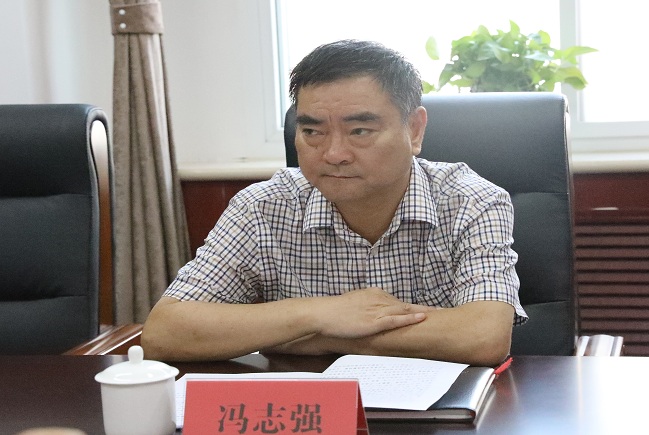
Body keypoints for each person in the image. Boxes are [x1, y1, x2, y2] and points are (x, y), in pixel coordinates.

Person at [142, 39, 528, 366]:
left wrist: (309, 337)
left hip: (440, 413)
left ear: (414, 130)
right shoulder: (261, 208)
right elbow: (165, 332)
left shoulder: (472, 201)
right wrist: (321, 313)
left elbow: (484, 337)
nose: (334, 154)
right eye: (313, 131)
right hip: (313, 411)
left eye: (359, 130)